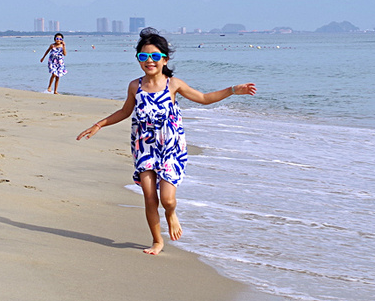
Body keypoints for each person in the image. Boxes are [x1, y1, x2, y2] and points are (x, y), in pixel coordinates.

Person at [77, 30, 256, 255]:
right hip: (144, 149)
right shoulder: (135, 86)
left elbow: (203, 98)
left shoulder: (173, 84)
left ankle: (171, 214)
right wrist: (99, 124)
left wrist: (232, 91)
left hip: (170, 149)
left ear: (165, 59)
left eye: (154, 56)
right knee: (150, 197)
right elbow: (125, 111)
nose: (149, 61)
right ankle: (157, 241)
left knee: (167, 200)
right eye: (143, 57)